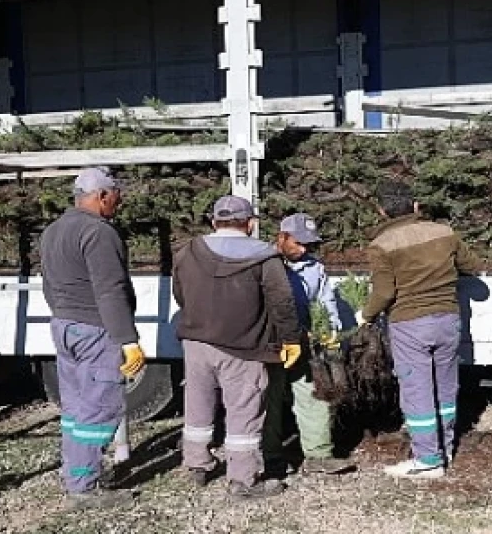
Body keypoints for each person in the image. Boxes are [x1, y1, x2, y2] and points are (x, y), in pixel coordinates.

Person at [174, 195, 302, 500]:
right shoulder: (265, 257)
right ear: (250, 223)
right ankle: (244, 480)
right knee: (244, 408)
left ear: (214, 221)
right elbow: (281, 302)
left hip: (196, 343)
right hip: (244, 345)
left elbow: (180, 293)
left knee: (198, 402)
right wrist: (291, 338)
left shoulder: (188, 251)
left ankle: (197, 464)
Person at [358, 180, 481, 479]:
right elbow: (473, 266)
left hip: (410, 323)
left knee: (417, 391)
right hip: (448, 319)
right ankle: (446, 447)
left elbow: (385, 292)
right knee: (445, 386)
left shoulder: (381, 245)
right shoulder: (444, 232)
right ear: (415, 206)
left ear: (382, 210)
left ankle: (428, 460)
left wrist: (367, 315)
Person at [40, 167, 145, 510]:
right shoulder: (98, 233)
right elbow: (109, 290)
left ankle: (74, 472)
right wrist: (128, 340)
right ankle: (84, 487)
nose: (120, 200)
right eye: (116, 194)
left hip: (64, 326)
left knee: (75, 407)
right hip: (95, 330)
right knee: (100, 407)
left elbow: (49, 284)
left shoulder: (53, 231)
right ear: (101, 195)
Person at [263, 212, 354, 475]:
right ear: (282, 237)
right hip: (273, 345)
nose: (303, 249)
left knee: (315, 396)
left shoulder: (315, 268)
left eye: (309, 245)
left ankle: (319, 456)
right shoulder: (265, 264)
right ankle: (269, 457)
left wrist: (332, 331)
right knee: (269, 399)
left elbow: (327, 303)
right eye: (298, 243)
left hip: (306, 344)